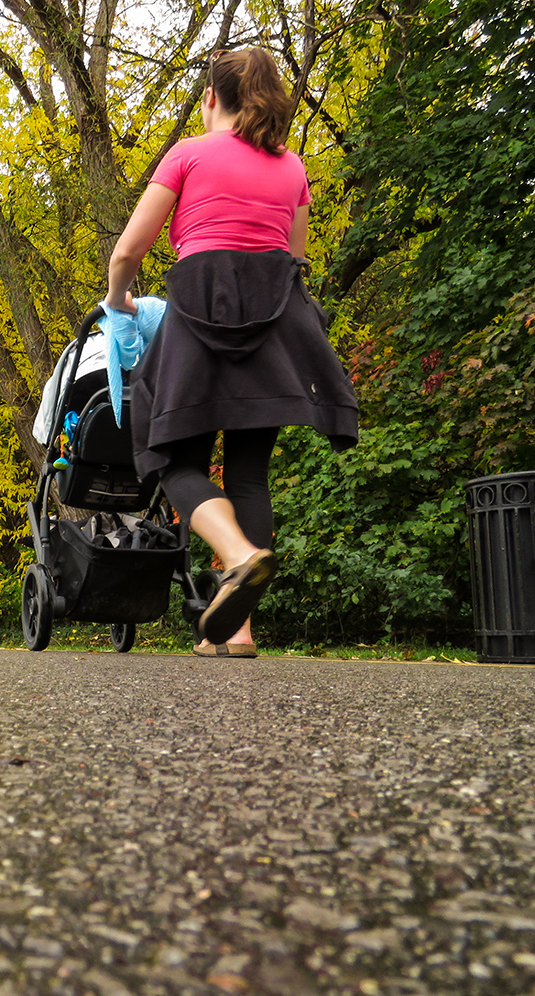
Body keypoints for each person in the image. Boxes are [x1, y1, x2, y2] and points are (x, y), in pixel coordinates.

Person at [104, 47, 358, 658]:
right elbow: (293, 263)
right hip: (272, 332)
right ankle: (239, 631)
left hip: (197, 321)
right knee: (249, 473)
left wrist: (118, 299)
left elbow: (127, 253)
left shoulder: (188, 153)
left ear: (211, 98)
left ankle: (241, 555)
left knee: (172, 461)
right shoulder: (293, 168)